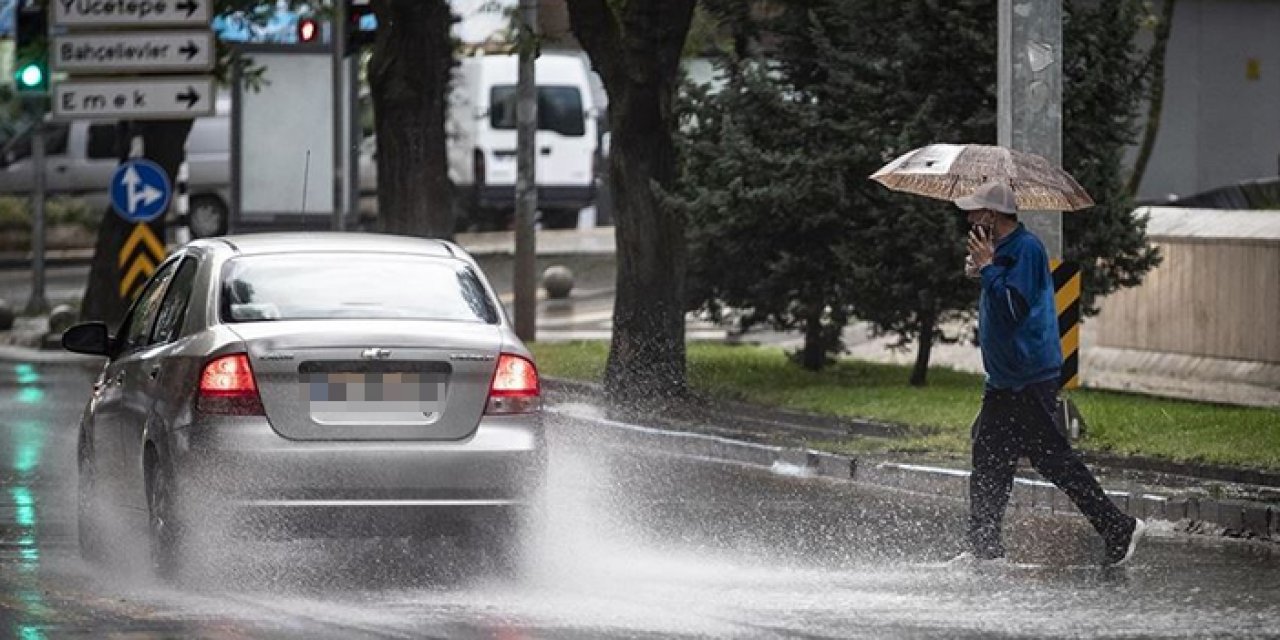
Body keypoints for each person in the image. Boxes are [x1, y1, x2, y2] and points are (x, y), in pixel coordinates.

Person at [953, 179, 1144, 567]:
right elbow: (997, 294)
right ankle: (984, 548)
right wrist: (980, 268)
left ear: (991, 214)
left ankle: (1118, 527)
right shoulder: (1000, 249)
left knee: (1053, 460)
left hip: (1028, 377)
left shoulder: (1025, 249)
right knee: (989, 458)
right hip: (1004, 380)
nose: (969, 217)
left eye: (975, 210)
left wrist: (988, 269)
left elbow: (1013, 309)